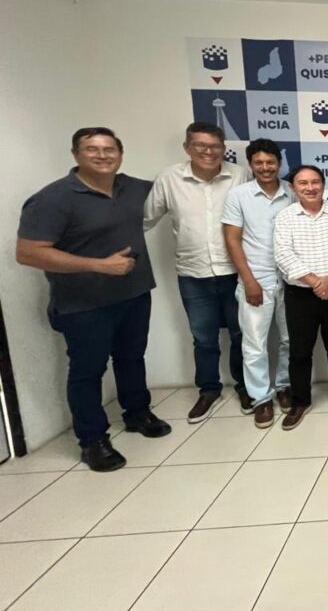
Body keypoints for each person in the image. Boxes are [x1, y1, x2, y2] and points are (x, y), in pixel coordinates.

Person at [16, 127, 170, 472]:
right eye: (92, 149)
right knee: (88, 371)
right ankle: (92, 440)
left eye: (109, 149)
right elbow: (28, 253)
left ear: (120, 154)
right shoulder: (53, 199)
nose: (102, 155)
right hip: (83, 304)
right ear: (76, 154)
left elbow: (176, 192)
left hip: (134, 293)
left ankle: (137, 413)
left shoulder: (134, 188)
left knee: (132, 357)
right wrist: (98, 265)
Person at [144, 121, 250, 423]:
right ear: (187, 147)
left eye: (214, 146)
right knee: (203, 337)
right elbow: (144, 220)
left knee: (242, 334)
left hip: (235, 271)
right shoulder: (169, 179)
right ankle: (208, 390)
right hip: (193, 274)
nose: (208, 151)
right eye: (200, 145)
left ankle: (246, 387)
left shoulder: (239, 175)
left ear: (223, 148)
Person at [273, 164, 328, 429]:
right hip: (300, 293)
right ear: (293, 188)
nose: (310, 188)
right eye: (303, 183)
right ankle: (300, 401)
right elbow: (283, 254)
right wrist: (316, 283)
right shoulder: (285, 217)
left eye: (315, 182)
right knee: (300, 350)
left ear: (323, 184)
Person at [221, 139, 296, 430]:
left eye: (270, 162)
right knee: (254, 345)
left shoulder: (292, 192)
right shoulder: (238, 195)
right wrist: (249, 280)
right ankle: (261, 398)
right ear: (251, 165)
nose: (265, 168)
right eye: (259, 163)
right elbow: (232, 240)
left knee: (290, 340)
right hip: (256, 281)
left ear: (279, 163)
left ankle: (284, 386)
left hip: (291, 280)